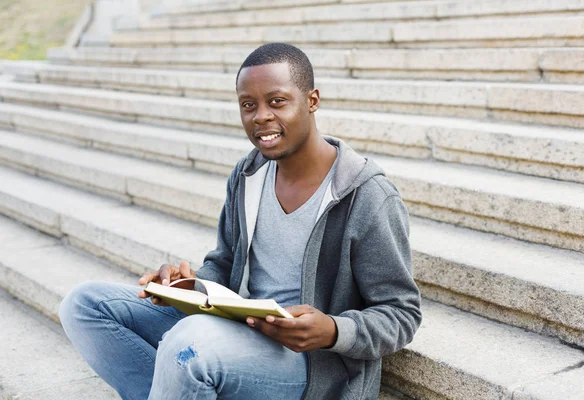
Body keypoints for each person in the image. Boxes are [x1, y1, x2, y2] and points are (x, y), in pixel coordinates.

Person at [60, 42, 421, 400]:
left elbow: (400, 312)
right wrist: (188, 287)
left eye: (277, 101)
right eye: (248, 105)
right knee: (83, 304)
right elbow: (225, 262)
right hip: (233, 326)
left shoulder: (367, 195)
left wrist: (332, 330)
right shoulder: (250, 173)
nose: (260, 116)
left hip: (308, 361)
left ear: (311, 101)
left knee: (188, 347)